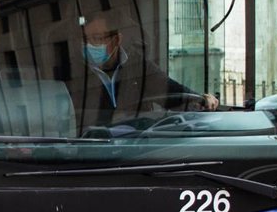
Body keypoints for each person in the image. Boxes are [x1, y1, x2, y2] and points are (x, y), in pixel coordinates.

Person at [78, 13, 217, 130]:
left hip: (136, 145)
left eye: (96, 39)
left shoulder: (137, 64)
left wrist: (201, 100)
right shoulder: (75, 73)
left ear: (116, 40)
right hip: (92, 148)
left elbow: (168, 89)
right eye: (85, 39)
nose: (89, 45)